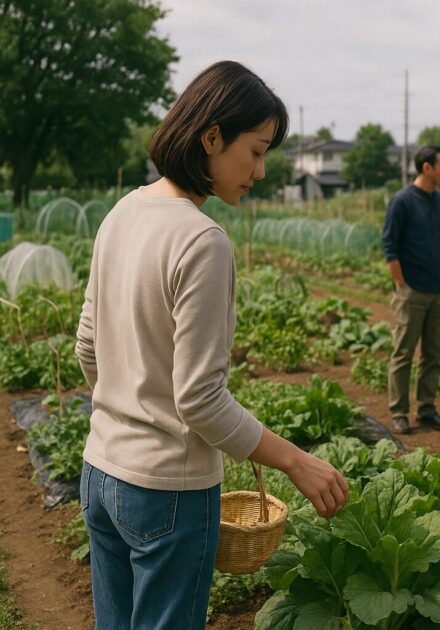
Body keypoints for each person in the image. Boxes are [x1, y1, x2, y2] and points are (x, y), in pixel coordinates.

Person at [74, 61, 348, 630]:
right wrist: (296, 462)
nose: (261, 170)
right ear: (212, 137)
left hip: (100, 472)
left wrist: (125, 417)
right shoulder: (202, 239)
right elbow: (199, 400)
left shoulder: (122, 212)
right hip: (165, 492)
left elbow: (87, 346)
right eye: (255, 150)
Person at [381, 145, 440, 434]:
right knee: (403, 353)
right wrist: (402, 284)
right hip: (411, 291)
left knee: (433, 355)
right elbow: (390, 246)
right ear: (426, 167)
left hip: (439, 291)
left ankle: (427, 409)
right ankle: (399, 412)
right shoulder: (402, 201)